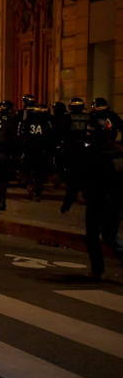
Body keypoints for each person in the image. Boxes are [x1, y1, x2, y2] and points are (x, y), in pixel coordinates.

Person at [63, 114, 123, 280]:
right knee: (110, 236)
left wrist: (68, 201)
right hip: (115, 201)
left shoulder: (90, 154)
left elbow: (76, 179)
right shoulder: (118, 153)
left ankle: (97, 270)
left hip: (98, 200)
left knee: (92, 236)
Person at [20, 103, 53, 201]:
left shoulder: (25, 123)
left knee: (28, 170)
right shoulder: (45, 123)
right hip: (41, 151)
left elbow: (21, 137)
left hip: (29, 150)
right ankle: (37, 191)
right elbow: (50, 137)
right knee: (39, 172)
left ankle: (30, 186)